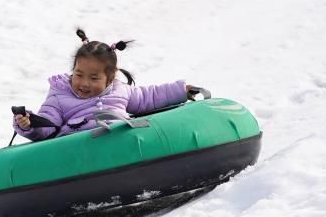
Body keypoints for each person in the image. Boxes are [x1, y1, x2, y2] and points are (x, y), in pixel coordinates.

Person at [13, 28, 193, 141]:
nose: (84, 83)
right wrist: (29, 124)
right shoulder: (60, 95)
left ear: (110, 77)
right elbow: (48, 125)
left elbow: (151, 96)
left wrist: (181, 90)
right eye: (79, 74)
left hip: (120, 141)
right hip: (76, 148)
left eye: (93, 78)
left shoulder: (120, 90)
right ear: (73, 70)